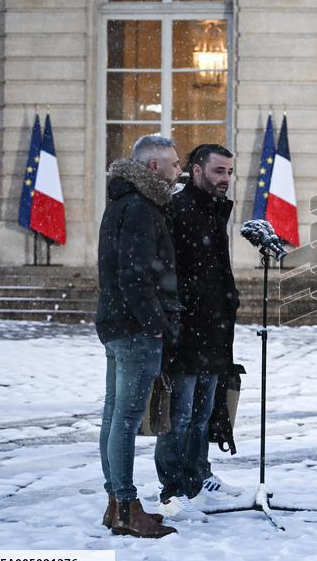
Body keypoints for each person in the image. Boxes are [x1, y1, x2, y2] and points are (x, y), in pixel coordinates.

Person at [96, 135, 182, 538]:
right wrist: (156, 325)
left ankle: (116, 503)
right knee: (125, 419)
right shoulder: (141, 209)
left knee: (115, 415)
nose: (178, 170)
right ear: (153, 168)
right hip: (134, 330)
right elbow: (135, 275)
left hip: (117, 325)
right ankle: (128, 507)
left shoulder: (121, 203)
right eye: (174, 164)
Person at [155, 144, 241, 519]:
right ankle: (173, 489)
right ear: (196, 170)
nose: (225, 179)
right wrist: (176, 318)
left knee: (205, 412)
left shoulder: (214, 209)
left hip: (214, 328)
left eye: (228, 173)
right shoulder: (178, 209)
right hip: (186, 329)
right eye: (218, 171)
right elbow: (168, 270)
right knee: (180, 416)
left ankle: (197, 477)